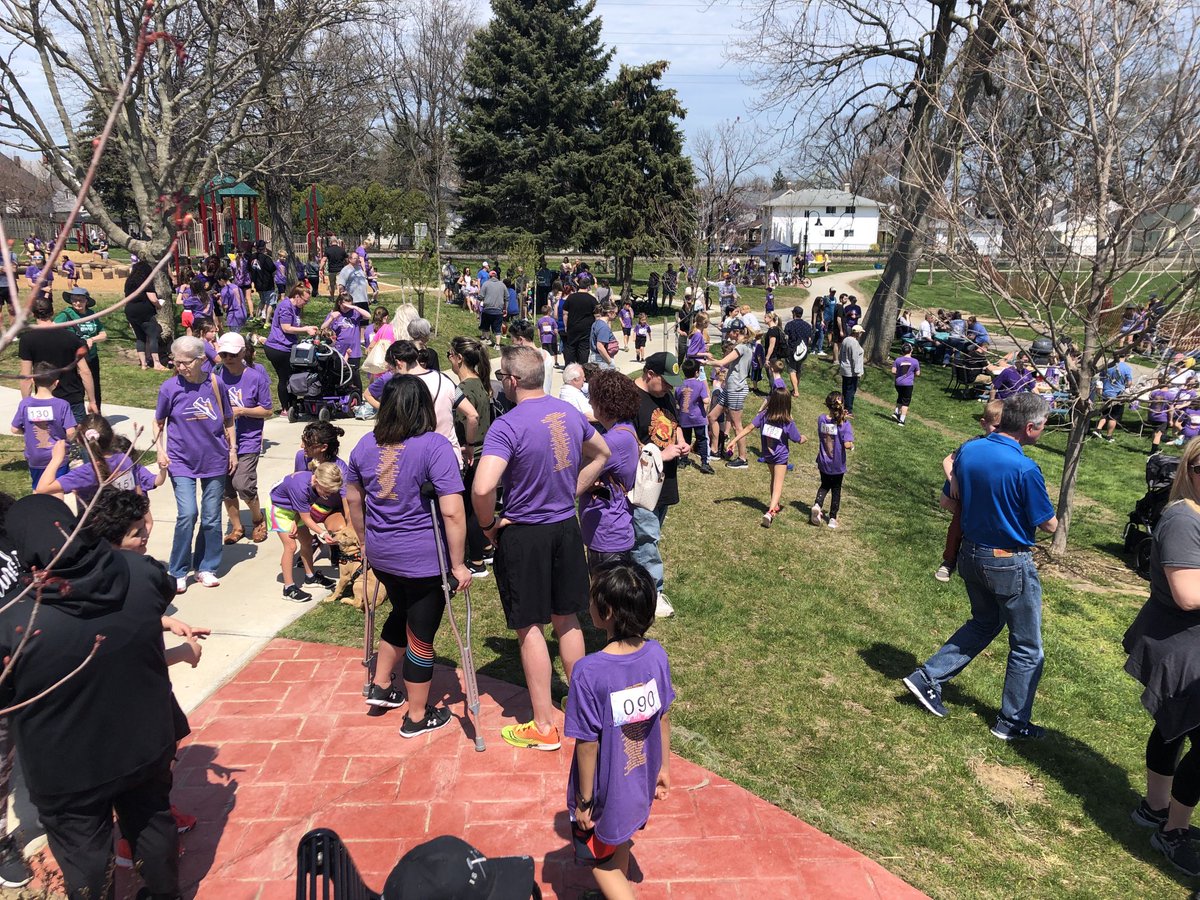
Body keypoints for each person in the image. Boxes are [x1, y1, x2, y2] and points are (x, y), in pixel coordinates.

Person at [0, 495, 182, 899]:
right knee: (153, 825)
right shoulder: (138, 571)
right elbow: (162, 591)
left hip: (68, 768)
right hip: (144, 741)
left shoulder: (14, 618)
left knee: (85, 856)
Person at [471, 346, 611, 751]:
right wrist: (572, 489)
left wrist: (487, 524)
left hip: (525, 533)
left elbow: (482, 487)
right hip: (566, 527)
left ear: (512, 381)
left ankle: (544, 725)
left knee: (529, 625)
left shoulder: (507, 425)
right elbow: (601, 452)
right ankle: (584, 707)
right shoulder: (569, 410)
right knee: (566, 618)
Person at [903, 393, 1057, 740]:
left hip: (970, 553)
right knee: (1028, 645)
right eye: (1044, 426)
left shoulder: (969, 450)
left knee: (984, 622)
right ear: (1030, 428)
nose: (1043, 430)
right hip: (1008, 561)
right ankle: (1012, 721)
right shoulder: (1026, 468)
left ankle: (927, 677)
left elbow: (949, 499)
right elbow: (1048, 523)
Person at [346, 374, 471, 731]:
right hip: (423, 561)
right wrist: (459, 564)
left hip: (383, 554)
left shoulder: (365, 445)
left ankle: (382, 684)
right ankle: (417, 716)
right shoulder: (433, 446)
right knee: (421, 633)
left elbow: (354, 497)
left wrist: (364, 539)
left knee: (401, 611)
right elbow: (451, 510)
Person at [566, 562, 673, 899]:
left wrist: (584, 801)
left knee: (599, 863)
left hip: (606, 789)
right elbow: (664, 716)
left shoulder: (588, 672)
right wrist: (665, 768)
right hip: (640, 777)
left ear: (607, 611)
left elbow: (587, 743)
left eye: (592, 597)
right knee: (620, 838)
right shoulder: (656, 655)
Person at [1123, 438, 1200, 875]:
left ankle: (1155, 807)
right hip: (1181, 645)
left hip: (1186, 643)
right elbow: (1189, 595)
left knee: (1172, 727)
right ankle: (1172, 829)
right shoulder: (1182, 519)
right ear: (1190, 469)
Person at [156, 336, 237, 594]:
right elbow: (159, 424)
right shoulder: (170, 388)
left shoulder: (216, 383)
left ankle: (206, 566)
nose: (180, 367)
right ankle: (178, 570)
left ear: (202, 360)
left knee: (212, 518)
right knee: (188, 514)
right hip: (180, 461)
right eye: (176, 362)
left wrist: (233, 450)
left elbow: (228, 420)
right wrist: (160, 450)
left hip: (214, 459)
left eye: (185, 362)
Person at [632, 353, 689, 618]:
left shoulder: (666, 395)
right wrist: (658, 454)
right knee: (647, 538)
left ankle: (634, 586)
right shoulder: (631, 399)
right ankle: (652, 594)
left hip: (666, 480)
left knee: (649, 537)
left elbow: (673, 423)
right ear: (649, 373)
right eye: (664, 381)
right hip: (644, 481)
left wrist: (681, 441)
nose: (668, 387)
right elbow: (626, 441)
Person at [578, 370, 643, 569]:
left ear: (604, 403)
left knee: (604, 596)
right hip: (615, 528)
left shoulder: (612, 442)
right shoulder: (625, 429)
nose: (589, 403)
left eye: (592, 398)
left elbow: (575, 483)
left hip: (607, 534)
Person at [934, 400, 1004, 582]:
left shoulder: (1006, 448)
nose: (1000, 432)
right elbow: (947, 461)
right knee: (957, 524)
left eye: (1005, 427)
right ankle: (948, 561)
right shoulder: (973, 444)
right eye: (996, 427)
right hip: (966, 494)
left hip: (986, 498)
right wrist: (954, 480)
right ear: (983, 424)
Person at [215, 333, 272, 544]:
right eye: (223, 354)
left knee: (243, 483)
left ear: (242, 353)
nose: (228, 358)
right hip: (222, 440)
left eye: (232, 354)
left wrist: (241, 411)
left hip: (248, 438)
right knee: (226, 486)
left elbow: (267, 410)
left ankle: (258, 519)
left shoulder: (255, 377)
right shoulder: (216, 374)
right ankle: (237, 527)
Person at [449, 337, 495, 577]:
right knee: (479, 506)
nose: (449, 359)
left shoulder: (463, 390)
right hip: (485, 452)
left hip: (472, 454)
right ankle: (487, 547)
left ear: (458, 358)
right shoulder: (480, 382)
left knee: (468, 510)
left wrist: (467, 443)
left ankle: (476, 561)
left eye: (449, 355)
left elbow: (470, 418)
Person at [728, 388, 806, 527]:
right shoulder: (787, 422)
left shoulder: (764, 415)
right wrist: (803, 439)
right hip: (781, 457)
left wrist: (734, 441)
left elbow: (748, 428)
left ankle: (774, 505)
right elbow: (797, 438)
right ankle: (770, 512)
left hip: (768, 455)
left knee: (773, 479)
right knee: (778, 484)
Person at [18, 295, 97, 426]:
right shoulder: (71, 337)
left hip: (45, 398)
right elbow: (85, 371)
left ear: (33, 314)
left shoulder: (27, 340)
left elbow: (26, 377)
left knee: (48, 442)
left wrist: (26, 404)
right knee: (76, 442)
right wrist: (92, 401)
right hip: (73, 398)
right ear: (53, 312)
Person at [268, 463, 341, 602]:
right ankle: (288, 588)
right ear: (317, 481)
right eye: (326, 491)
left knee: (307, 541)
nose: (328, 495)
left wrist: (295, 519)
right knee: (291, 546)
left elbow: (302, 509)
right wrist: (323, 534)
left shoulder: (314, 486)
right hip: (279, 510)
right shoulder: (301, 487)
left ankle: (310, 577)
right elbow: (307, 518)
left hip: (294, 510)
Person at [12, 361, 77, 489]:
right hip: (58, 457)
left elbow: (14, 429)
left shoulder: (25, 404)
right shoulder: (62, 405)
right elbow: (70, 432)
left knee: (38, 488)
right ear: (56, 383)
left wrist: (26, 431)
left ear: (32, 380)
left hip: (35, 457)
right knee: (59, 489)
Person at [700, 319, 752, 469]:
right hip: (729, 389)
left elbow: (723, 363)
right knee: (712, 416)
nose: (728, 335)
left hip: (736, 389)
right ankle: (715, 450)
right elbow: (726, 363)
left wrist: (707, 362)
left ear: (736, 332)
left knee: (737, 425)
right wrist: (713, 359)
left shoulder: (741, 348)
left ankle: (743, 459)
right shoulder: (743, 347)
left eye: (729, 331)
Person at [264, 285, 319, 416]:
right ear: (297, 296)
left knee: (292, 376)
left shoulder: (296, 308)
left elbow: (295, 326)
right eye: (305, 300)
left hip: (289, 346)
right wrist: (306, 329)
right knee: (284, 377)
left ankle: (293, 404)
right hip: (277, 347)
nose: (306, 303)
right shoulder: (285, 306)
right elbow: (286, 328)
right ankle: (285, 407)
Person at [54, 286, 106, 409]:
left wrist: (92, 339)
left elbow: (104, 334)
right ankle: (78, 414)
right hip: (74, 359)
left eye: (81, 300)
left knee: (95, 387)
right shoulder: (66, 314)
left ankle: (95, 415)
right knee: (77, 388)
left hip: (91, 356)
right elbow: (52, 328)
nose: (77, 303)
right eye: (74, 299)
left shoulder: (92, 314)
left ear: (87, 301)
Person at [811, 391, 855, 530]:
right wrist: (852, 445)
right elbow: (847, 444)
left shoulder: (821, 419)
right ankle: (832, 518)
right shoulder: (844, 425)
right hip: (837, 464)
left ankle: (817, 505)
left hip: (823, 460)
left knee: (824, 485)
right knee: (836, 490)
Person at [123, 257, 169, 371]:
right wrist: (159, 305)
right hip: (144, 311)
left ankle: (143, 364)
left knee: (140, 337)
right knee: (153, 335)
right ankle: (157, 363)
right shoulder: (146, 282)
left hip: (130, 310)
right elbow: (152, 298)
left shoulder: (129, 282)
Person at [322, 291, 369, 396]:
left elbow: (368, 316)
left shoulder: (355, 313)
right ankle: (342, 395)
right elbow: (323, 328)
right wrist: (331, 318)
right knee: (340, 374)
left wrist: (355, 308)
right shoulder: (334, 314)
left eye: (349, 304)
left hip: (354, 351)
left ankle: (358, 397)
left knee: (355, 374)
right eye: (345, 305)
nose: (347, 307)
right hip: (339, 351)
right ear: (339, 303)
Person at [675, 359, 713, 475]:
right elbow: (705, 400)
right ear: (697, 372)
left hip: (684, 417)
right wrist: (708, 404)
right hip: (699, 418)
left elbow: (676, 401)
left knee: (685, 439)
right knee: (702, 439)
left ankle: (683, 460)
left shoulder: (679, 385)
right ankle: (705, 463)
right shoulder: (700, 384)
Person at [1095, 349, 1134, 443]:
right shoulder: (1127, 368)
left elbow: (1101, 378)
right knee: (1114, 417)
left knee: (1105, 413)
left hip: (1106, 392)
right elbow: (1129, 382)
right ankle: (1109, 436)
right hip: (1118, 394)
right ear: (1125, 356)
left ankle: (1098, 430)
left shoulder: (1107, 366)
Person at [562, 272, 598, 366]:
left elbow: (565, 313)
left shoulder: (571, 298)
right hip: (586, 328)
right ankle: (583, 368)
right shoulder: (592, 299)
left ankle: (570, 367)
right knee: (584, 349)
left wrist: (566, 325)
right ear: (588, 286)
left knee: (571, 347)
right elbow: (597, 315)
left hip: (572, 326)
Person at [839, 324, 865, 414]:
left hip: (844, 369)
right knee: (850, 391)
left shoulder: (845, 340)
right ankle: (848, 410)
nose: (861, 334)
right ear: (857, 333)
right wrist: (858, 372)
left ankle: (842, 406)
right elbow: (855, 358)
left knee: (845, 389)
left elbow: (840, 354)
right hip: (851, 371)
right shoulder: (854, 343)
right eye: (861, 332)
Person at [478, 268, 508, 348]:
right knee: (497, 329)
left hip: (487, 309)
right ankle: (497, 345)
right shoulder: (502, 285)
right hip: (498, 310)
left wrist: (480, 299)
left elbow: (480, 296)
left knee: (486, 326)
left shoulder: (486, 284)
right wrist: (505, 308)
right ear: (497, 276)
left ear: (489, 276)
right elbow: (507, 297)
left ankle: (488, 339)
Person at [1148, 374, 1178, 451]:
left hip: (1153, 415)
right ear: (1168, 384)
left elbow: (1149, 405)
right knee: (1159, 434)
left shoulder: (1153, 393)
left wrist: (1149, 415)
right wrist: (1171, 420)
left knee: (1155, 432)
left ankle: (1155, 447)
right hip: (1162, 417)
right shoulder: (1171, 395)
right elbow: (1171, 409)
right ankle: (1153, 451)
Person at [892, 346, 921, 426]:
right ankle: (901, 420)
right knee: (906, 401)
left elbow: (893, 371)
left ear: (902, 351)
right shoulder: (915, 361)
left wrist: (900, 374)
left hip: (898, 383)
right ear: (911, 351)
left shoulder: (898, 360)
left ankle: (896, 412)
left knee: (900, 397)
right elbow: (918, 373)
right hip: (908, 384)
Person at [589, 301, 619, 369]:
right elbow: (600, 346)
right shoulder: (603, 327)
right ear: (609, 313)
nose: (616, 315)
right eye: (615, 313)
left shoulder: (596, 323)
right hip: (602, 359)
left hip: (596, 357)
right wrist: (610, 362)